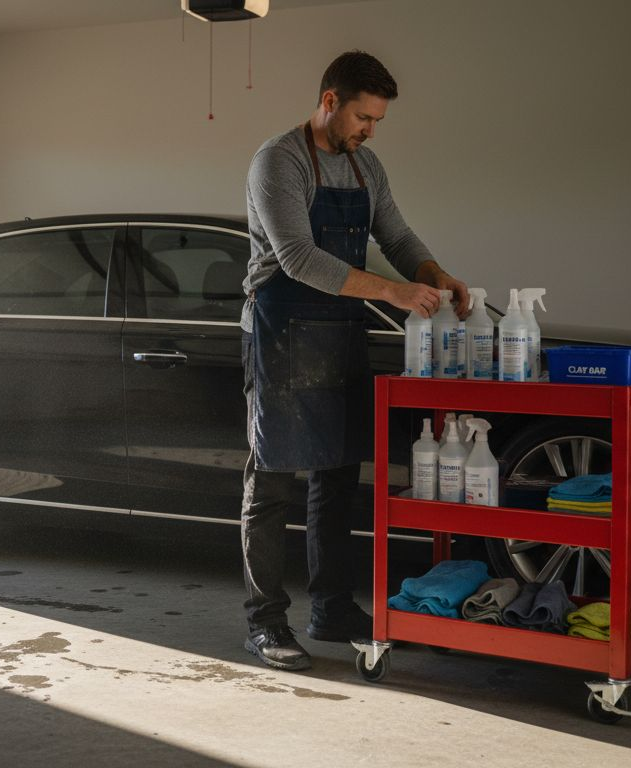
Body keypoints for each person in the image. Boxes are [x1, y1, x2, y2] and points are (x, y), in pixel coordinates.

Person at [240, 50, 470, 670]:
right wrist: (394, 292)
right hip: (281, 331)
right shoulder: (278, 160)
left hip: (340, 329)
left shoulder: (366, 165)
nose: (370, 131)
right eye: (363, 117)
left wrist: (434, 273)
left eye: (377, 121)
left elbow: (394, 234)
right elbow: (297, 258)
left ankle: (332, 609)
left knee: (339, 475)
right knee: (271, 479)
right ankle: (265, 622)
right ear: (330, 101)